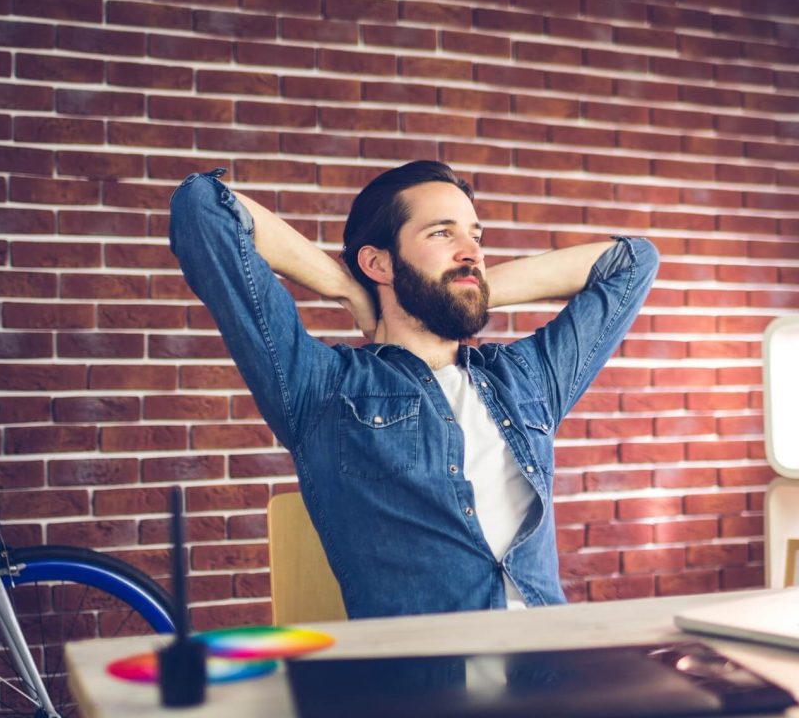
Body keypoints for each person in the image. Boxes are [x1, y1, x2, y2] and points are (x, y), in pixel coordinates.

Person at [169, 161, 658, 619]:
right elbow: (203, 206)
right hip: (425, 688)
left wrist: (471, 286)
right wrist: (349, 289)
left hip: (553, 676)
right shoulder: (322, 388)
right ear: (379, 263)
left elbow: (634, 262)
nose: (472, 251)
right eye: (442, 233)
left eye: (475, 236)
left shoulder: (525, 377)